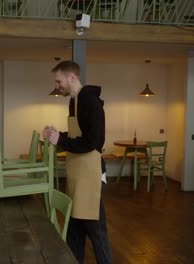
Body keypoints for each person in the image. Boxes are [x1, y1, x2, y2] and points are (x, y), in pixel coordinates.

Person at [43, 61, 113, 264]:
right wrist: (57, 135)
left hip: (90, 176)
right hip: (77, 174)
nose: (57, 86)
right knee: (75, 231)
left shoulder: (90, 102)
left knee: (97, 233)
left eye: (59, 81)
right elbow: (78, 136)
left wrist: (62, 141)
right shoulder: (73, 102)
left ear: (72, 77)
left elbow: (95, 141)